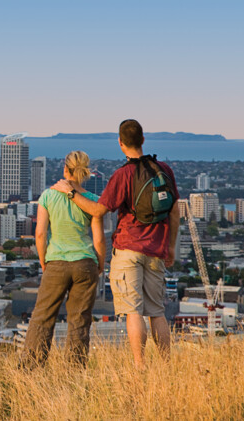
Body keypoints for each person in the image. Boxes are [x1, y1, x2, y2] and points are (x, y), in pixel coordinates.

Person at [54, 119, 180, 369]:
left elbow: (98, 210)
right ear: (143, 140)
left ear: (121, 144)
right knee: (156, 313)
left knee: (133, 311)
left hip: (128, 250)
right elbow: (174, 212)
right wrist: (171, 247)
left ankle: (139, 364)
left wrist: (70, 193)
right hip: (156, 251)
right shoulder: (163, 169)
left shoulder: (123, 175)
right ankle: (167, 366)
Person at [21, 150, 106, 367]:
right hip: (86, 263)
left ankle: (31, 368)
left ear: (65, 170)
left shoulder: (48, 196)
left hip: (56, 262)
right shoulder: (93, 201)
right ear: (85, 173)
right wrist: (100, 264)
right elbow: (98, 241)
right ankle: (75, 371)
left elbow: (40, 234)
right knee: (79, 321)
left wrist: (43, 260)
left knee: (42, 317)